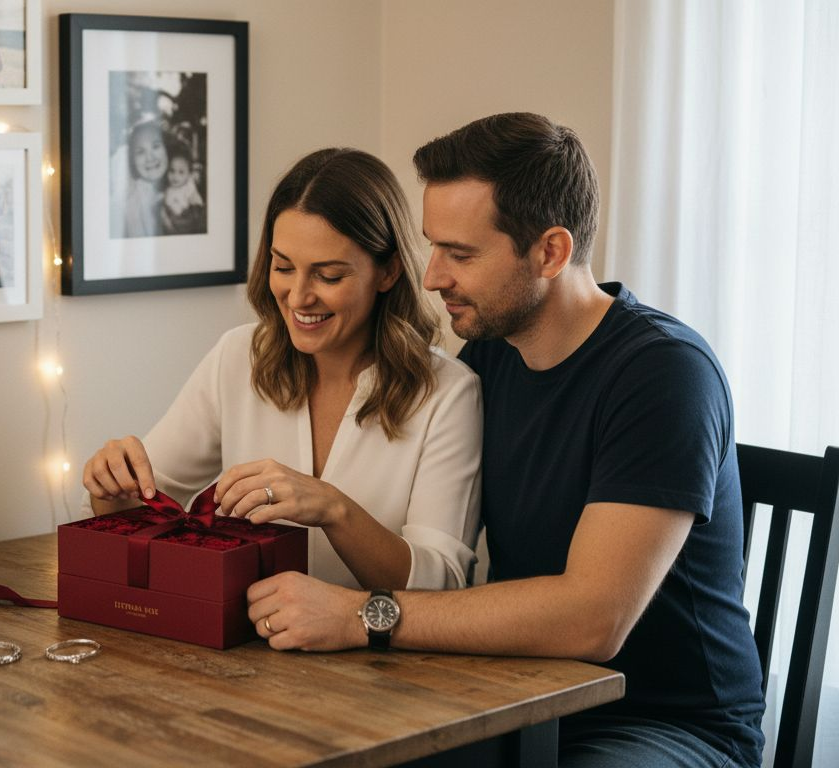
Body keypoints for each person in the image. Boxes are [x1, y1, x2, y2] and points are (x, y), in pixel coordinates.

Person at [250, 114, 767, 768]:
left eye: (460, 254)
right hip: (511, 695)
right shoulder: (487, 361)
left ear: (550, 252)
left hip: (660, 726)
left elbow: (593, 619)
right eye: (433, 246)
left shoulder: (665, 375)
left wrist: (364, 616)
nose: (432, 276)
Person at [83, 148, 483, 596]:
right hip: (242, 651)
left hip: (380, 660)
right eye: (283, 267)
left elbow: (442, 582)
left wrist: (333, 508)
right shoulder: (238, 357)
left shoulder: (446, 392)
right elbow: (141, 510)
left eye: (328, 276)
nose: (297, 297)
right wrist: (112, 489)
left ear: (387, 271)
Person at [115, 120, 168, 238]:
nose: (150, 157)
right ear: (132, 161)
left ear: (167, 148)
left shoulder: (187, 183)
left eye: (156, 146)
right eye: (140, 152)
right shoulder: (132, 200)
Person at [160, 141, 205, 235]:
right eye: (172, 170)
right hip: (172, 220)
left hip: (186, 219)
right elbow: (165, 202)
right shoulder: (168, 189)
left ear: (189, 174)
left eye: (181, 172)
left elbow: (197, 207)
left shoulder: (188, 187)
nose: (175, 176)